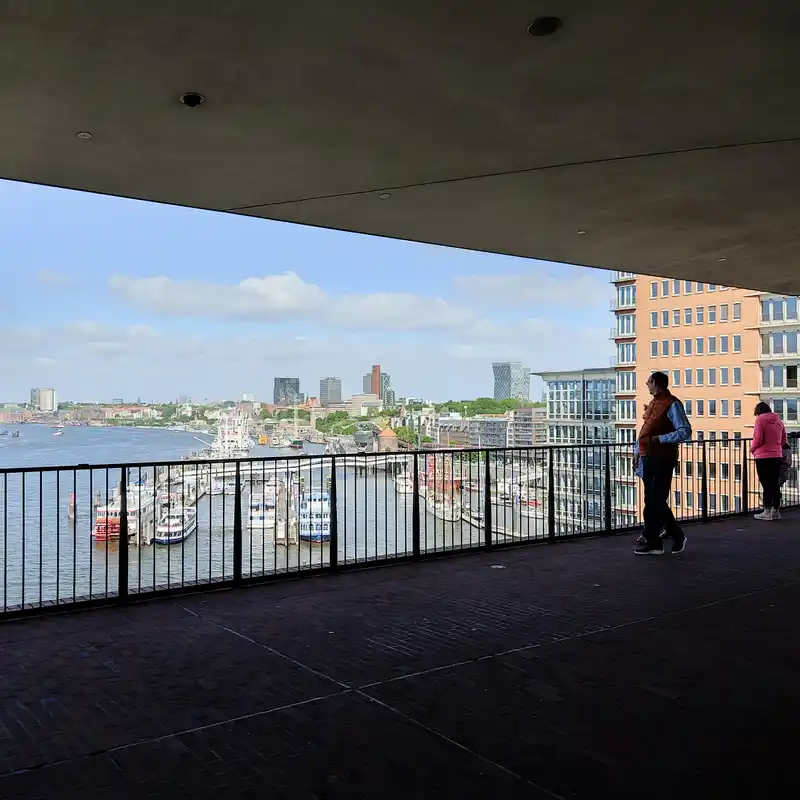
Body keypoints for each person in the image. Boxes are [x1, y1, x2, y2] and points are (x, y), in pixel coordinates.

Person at [634, 371, 692, 555]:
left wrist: (660, 439)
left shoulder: (671, 404)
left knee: (655, 500)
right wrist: (637, 452)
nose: (647, 384)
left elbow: (685, 431)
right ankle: (660, 537)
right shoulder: (654, 403)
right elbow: (645, 431)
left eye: (649, 381)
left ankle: (661, 539)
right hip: (649, 457)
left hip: (662, 458)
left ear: (656, 383)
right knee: (652, 499)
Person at [751, 402, 787, 521]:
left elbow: (758, 438)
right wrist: (776, 447)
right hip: (777, 455)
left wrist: (753, 448)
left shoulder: (760, 420)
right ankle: (775, 511)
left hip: (763, 456)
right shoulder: (778, 421)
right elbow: (783, 439)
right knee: (775, 483)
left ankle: (767, 510)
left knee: (766, 483)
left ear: (758, 412)